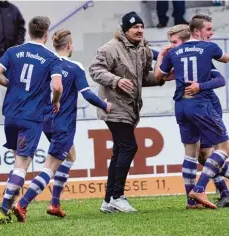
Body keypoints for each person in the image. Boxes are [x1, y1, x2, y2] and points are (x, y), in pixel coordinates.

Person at [11, 29, 112, 223]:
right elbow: (88, 94)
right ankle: (22, 204)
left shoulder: (46, 64)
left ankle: (55, 203)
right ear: (69, 46)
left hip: (44, 119)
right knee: (50, 167)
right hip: (62, 123)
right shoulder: (74, 67)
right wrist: (105, 104)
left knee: (70, 156)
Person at [89, 11, 165, 213]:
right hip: (113, 106)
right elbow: (95, 70)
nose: (140, 30)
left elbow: (144, 78)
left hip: (131, 108)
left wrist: (164, 77)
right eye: (135, 27)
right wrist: (116, 80)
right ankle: (117, 196)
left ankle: (108, 201)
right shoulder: (110, 48)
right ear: (125, 30)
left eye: (141, 26)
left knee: (119, 151)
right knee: (129, 146)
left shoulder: (143, 49)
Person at [155, 14, 229, 209]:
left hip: (201, 104)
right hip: (198, 106)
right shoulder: (199, 51)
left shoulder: (193, 53)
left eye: (174, 41)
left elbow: (220, 79)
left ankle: (213, 195)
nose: (172, 45)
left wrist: (199, 85)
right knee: (209, 153)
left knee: (203, 154)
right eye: (170, 43)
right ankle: (201, 192)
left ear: (187, 37)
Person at [0, 16, 63, 224]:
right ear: (46, 33)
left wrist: (9, 84)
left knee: (18, 162)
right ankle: (2, 210)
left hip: (11, 115)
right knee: (22, 166)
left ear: (29, 32)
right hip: (31, 117)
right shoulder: (51, 58)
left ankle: (8, 206)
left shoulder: (13, 51)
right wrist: (56, 101)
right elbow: (58, 86)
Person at [0, 0, 26, 122]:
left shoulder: (13, 10)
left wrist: (15, 49)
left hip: (10, 58)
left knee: (16, 86)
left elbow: (21, 29)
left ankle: (18, 117)